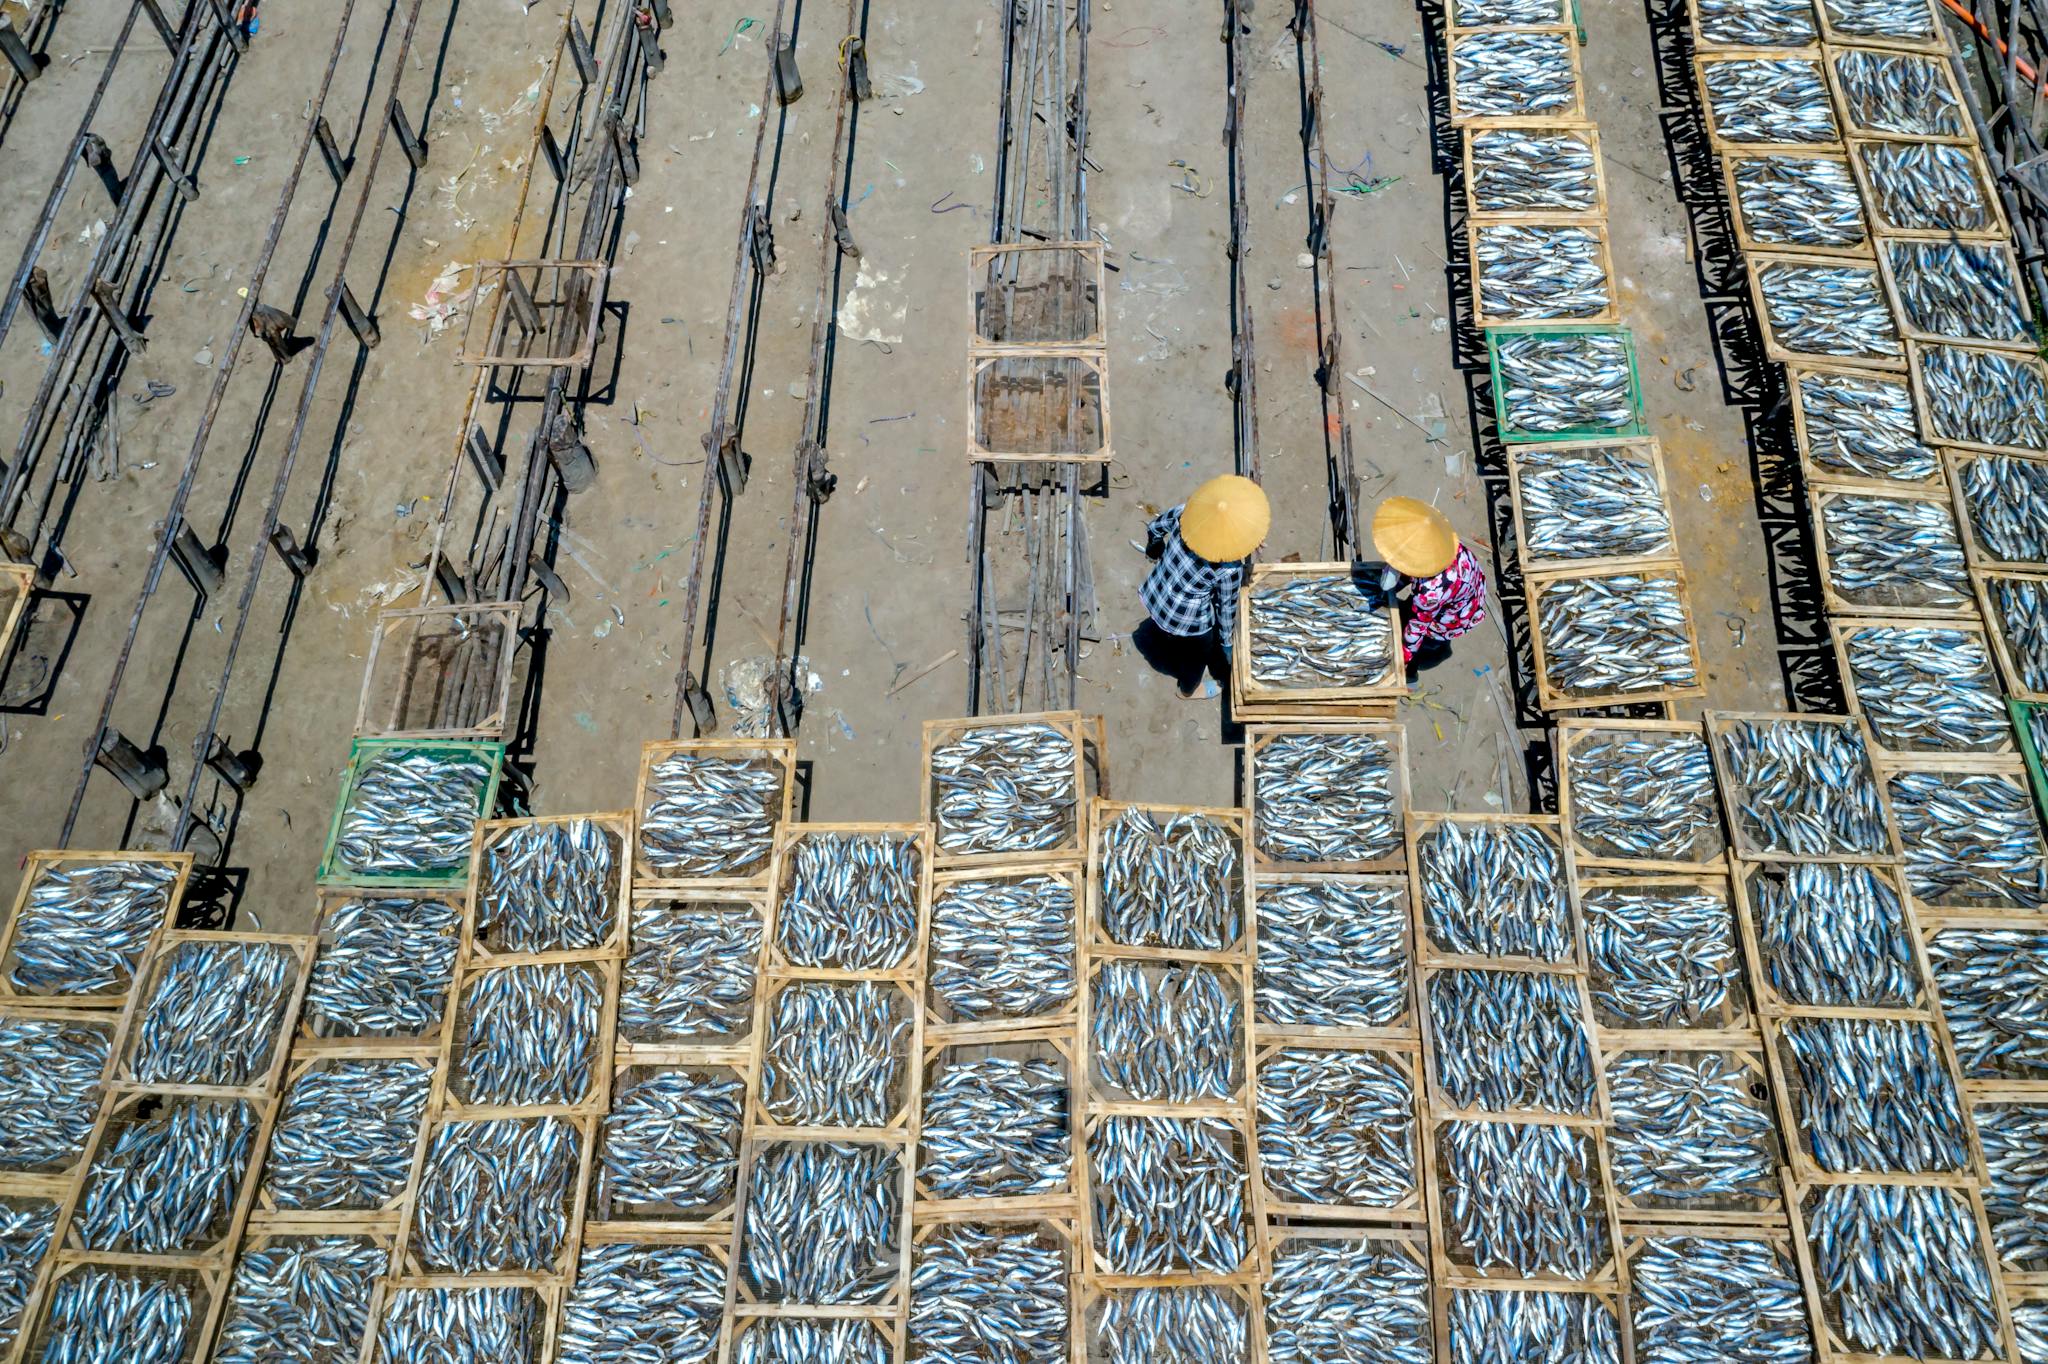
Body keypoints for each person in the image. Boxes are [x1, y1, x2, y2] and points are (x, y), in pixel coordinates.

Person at [1135, 475, 1270, 698]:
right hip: (1186, 619)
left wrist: (1154, 548)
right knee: (1198, 654)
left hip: (1155, 593)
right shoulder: (1229, 569)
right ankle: (1188, 689)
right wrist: (1226, 644)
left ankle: (1165, 638)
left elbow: (1155, 527)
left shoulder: (1184, 514)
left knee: (1169, 632)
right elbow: (1225, 609)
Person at [1372, 496, 1488, 674]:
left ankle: (1415, 668)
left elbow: (1419, 626)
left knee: (1426, 639)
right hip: (1467, 586)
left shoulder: (1429, 594)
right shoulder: (1445, 541)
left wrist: (1407, 653)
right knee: (1418, 611)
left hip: (1456, 613)